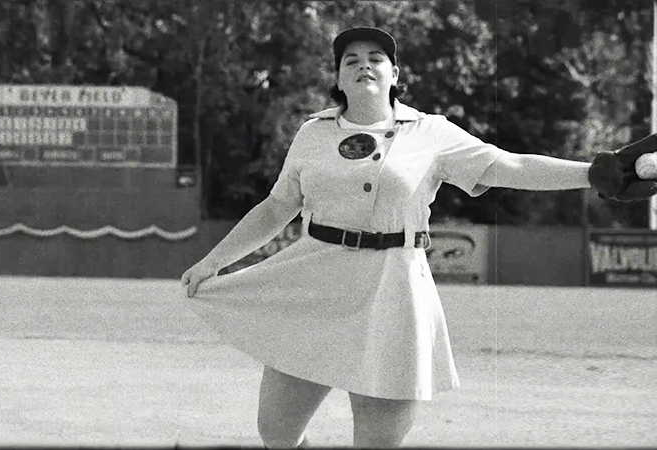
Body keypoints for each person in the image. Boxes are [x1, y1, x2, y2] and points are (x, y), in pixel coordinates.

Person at [180, 27, 657, 448]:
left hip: (394, 288)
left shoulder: (432, 132)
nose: (364, 64)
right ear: (339, 79)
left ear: (395, 74)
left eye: (376, 58)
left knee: (378, 440)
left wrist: (593, 173)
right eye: (351, 60)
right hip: (314, 282)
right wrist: (215, 261)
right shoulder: (312, 134)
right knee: (276, 433)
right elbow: (277, 207)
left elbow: (506, 164)